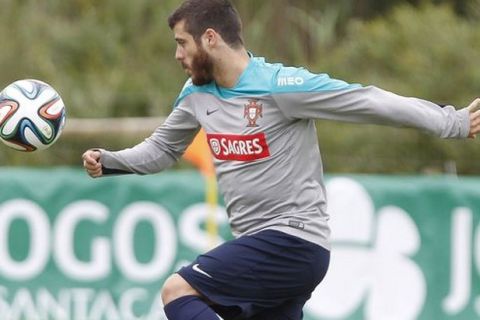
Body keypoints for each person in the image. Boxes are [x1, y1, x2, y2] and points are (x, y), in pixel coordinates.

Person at [82, 0, 480, 319]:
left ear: (210, 38)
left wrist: (453, 122)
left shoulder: (280, 86)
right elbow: (162, 149)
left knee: (177, 290)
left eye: (182, 43)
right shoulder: (196, 95)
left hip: (293, 241)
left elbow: (368, 101)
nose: (177, 54)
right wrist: (111, 160)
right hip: (262, 247)